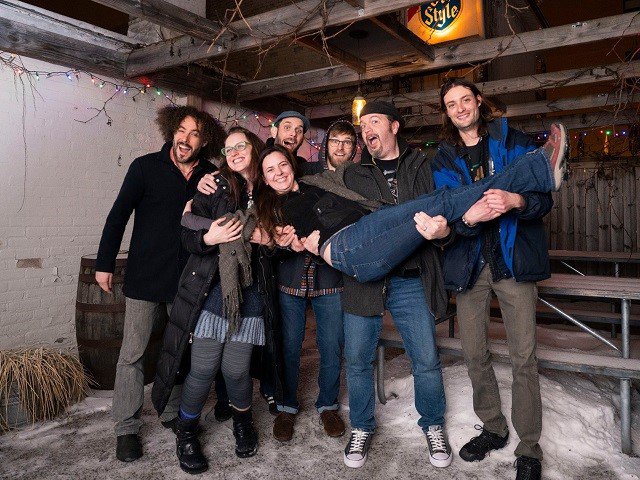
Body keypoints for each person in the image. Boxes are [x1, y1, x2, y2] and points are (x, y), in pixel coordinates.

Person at [255, 104, 565, 471]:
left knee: (441, 207)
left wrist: (451, 227)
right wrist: (278, 238)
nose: (278, 172)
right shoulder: (268, 208)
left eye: (282, 166)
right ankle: (362, 427)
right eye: (270, 170)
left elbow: (349, 193)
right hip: (349, 256)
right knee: (356, 360)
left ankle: (433, 425)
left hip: (395, 263)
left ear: (394, 126)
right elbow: (247, 225)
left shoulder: (325, 180)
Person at [431, 77, 556, 480]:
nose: (460, 108)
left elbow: (544, 196)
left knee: (523, 357)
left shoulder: (513, 140)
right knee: (474, 353)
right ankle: (494, 427)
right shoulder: (443, 158)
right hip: (470, 266)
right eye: (452, 104)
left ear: (478, 101)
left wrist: (516, 200)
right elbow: (451, 216)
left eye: (466, 99)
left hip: (512, 262)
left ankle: (529, 447)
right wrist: (468, 218)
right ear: (447, 112)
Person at [95, 106, 222, 463]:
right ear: (171, 131)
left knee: (180, 350)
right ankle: (126, 427)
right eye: (181, 130)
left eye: (194, 133)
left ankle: (170, 412)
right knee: (132, 354)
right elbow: (118, 215)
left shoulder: (210, 174)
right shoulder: (144, 167)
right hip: (144, 277)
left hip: (189, 279)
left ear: (204, 140)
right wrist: (104, 264)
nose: (185, 139)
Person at [151, 127, 279, 474]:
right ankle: (187, 432)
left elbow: (280, 237)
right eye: (228, 148)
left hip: (250, 292)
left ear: (254, 148)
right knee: (204, 367)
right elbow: (185, 230)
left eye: (241, 145)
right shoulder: (216, 184)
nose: (235, 151)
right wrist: (210, 235)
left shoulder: (271, 187)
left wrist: (270, 241)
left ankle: (242, 421)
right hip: (211, 289)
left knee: (236, 369)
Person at [271, 120, 358, 442]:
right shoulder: (292, 184)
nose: (280, 171)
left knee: (331, 345)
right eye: (335, 141)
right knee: (290, 345)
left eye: (347, 142)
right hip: (291, 279)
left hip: (329, 278)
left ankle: (328, 405)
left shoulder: (330, 184)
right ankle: (286, 406)